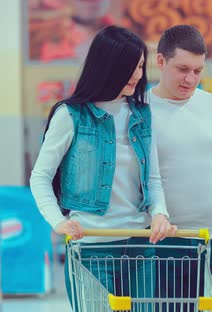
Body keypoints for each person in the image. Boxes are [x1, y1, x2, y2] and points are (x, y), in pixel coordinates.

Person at [29, 25, 175, 309]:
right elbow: (40, 177)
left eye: (141, 66)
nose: (137, 75)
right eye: (130, 67)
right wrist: (57, 221)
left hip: (141, 245)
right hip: (91, 247)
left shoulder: (143, 114)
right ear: (108, 67)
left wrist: (160, 214)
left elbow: (153, 179)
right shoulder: (71, 115)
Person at [147, 24, 212, 309]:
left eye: (198, 70)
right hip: (164, 245)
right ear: (160, 61)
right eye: (182, 69)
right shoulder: (140, 111)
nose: (191, 79)